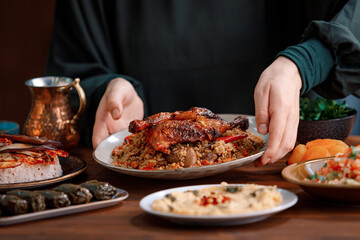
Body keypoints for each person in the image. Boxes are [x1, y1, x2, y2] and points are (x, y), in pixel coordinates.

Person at [46, 0, 360, 166]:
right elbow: (73, 73)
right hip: (137, 190)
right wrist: (106, 91)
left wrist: (303, 62)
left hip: (285, 169)